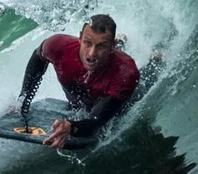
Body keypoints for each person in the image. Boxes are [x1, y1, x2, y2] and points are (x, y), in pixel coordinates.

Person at [18, 14, 139, 149]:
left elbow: (96, 121)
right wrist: (24, 98)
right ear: (80, 38)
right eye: (87, 43)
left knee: (147, 79)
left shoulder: (125, 73)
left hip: (116, 106)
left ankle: (158, 58)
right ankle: (117, 43)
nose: (91, 53)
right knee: (101, 60)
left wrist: (72, 127)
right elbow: (38, 57)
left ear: (111, 46)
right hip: (99, 77)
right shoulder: (58, 46)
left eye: (101, 46)